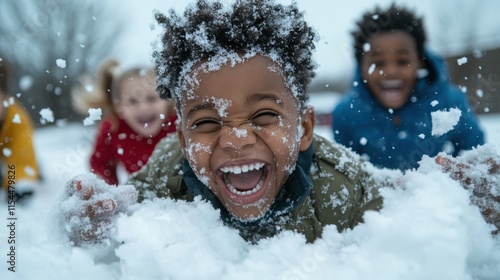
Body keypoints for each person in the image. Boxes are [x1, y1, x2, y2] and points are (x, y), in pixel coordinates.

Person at [58, 0, 499, 247]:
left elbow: (398, 207)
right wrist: (97, 217)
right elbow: (127, 204)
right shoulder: (169, 168)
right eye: (207, 121)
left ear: (304, 128)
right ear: (181, 135)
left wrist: (462, 209)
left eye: (265, 115)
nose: (235, 138)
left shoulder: (338, 183)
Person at [331, 4, 485, 171]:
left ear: (420, 61)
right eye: (378, 63)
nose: (390, 71)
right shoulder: (346, 114)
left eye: (403, 61)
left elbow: (474, 155)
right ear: (361, 68)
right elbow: (345, 173)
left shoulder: (451, 103)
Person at [72, 59, 177, 185]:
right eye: (132, 101)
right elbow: (100, 163)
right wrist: (110, 191)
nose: (143, 108)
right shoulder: (113, 128)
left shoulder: (178, 123)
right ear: (119, 107)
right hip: (143, 198)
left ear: (167, 99)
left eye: (151, 98)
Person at [0, 53, 41, 202]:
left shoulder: (17, 119)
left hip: (9, 151)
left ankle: (35, 171)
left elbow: (22, 153)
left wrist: (18, 180)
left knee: (22, 157)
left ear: (4, 97)